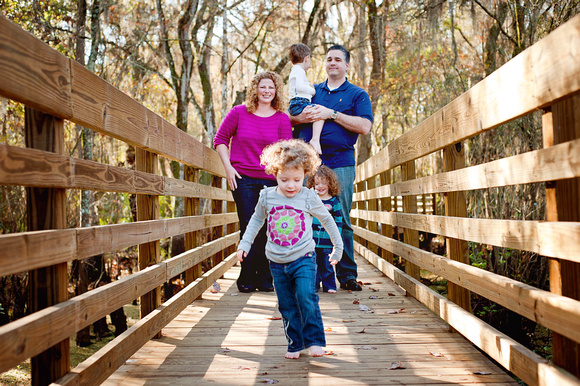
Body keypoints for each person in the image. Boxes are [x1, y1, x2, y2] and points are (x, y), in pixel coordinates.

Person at [237, 139, 344, 359]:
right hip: (276, 261)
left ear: (306, 173)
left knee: (306, 296)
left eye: (297, 179)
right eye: (284, 179)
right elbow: (256, 220)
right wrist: (244, 244)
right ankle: (295, 344)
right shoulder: (267, 196)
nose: (291, 185)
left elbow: (327, 220)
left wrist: (338, 246)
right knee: (286, 305)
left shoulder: (308, 196)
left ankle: (314, 341)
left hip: (303, 256)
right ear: (274, 172)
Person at [290, 44, 373, 292]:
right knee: (303, 217)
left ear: (347, 65)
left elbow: (364, 126)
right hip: (309, 165)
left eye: (338, 59)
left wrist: (331, 113)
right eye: (328, 59)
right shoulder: (311, 90)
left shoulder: (357, 95)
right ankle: (303, 274)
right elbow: (290, 117)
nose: (332, 63)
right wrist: (304, 117)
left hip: (340, 163)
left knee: (341, 219)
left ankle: (347, 275)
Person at [214, 71, 292, 293]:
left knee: (270, 228)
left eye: (271, 87)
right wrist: (228, 168)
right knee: (249, 226)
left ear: (276, 91)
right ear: (255, 89)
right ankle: (247, 276)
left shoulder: (281, 118)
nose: (267, 91)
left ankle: (265, 277)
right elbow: (220, 139)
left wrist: (285, 182)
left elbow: (286, 152)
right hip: (243, 178)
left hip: (271, 180)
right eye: (263, 86)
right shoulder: (239, 112)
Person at [306, 165, 342, 293]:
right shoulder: (311, 201)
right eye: (316, 183)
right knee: (313, 265)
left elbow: (338, 221)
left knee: (327, 265)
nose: (320, 187)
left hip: (327, 240)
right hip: (312, 240)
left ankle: (330, 286)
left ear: (330, 184)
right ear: (312, 185)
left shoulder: (334, 202)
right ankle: (313, 286)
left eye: (324, 183)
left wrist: (337, 239)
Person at [287, 43, 324, 155]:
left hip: (297, 102)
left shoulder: (295, 70)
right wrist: (312, 91)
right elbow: (300, 87)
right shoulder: (299, 71)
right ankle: (315, 140)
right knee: (320, 113)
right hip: (299, 103)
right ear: (307, 58)